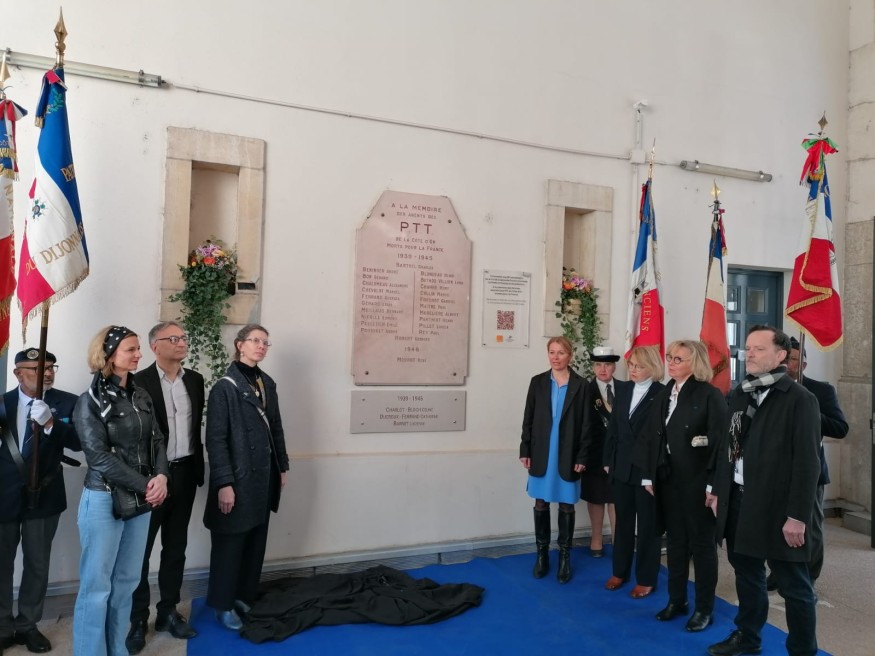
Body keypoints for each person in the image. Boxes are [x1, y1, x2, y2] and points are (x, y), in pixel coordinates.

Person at [706, 325, 821, 656]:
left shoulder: (800, 399)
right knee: (747, 573)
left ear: (781, 355)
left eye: (758, 349)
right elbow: (728, 448)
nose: (749, 354)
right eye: (748, 348)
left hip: (779, 507)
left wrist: (797, 516)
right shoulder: (741, 392)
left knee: (794, 584)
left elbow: (807, 463)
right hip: (739, 501)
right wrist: (717, 488)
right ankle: (748, 636)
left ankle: (802, 650)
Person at [72, 326, 169, 656]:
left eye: (138, 348)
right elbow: (98, 458)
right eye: (131, 349)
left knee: (126, 583)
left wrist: (162, 477)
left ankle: (118, 650)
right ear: (109, 355)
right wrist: (147, 484)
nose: (139, 354)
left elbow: (158, 439)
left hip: (142, 499)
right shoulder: (89, 401)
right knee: (96, 589)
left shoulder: (141, 395)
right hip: (103, 498)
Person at [126, 322, 206, 654]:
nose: (182, 342)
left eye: (184, 337)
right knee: (139, 553)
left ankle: (168, 611)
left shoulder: (195, 380)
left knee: (176, 547)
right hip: (150, 479)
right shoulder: (137, 382)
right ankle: (137, 619)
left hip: (185, 473)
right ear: (155, 346)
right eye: (174, 338)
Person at [204, 324, 289, 631]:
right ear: (240, 345)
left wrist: (282, 467)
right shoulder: (224, 387)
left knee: (255, 541)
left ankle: (243, 595)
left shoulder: (267, 383)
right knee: (230, 544)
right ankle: (222, 604)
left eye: (265, 342)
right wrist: (224, 483)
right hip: (237, 478)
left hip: (263, 477)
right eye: (255, 341)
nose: (261, 346)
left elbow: (276, 427)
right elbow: (215, 440)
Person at [0, 349, 80, 654]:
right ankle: (2, 626)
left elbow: (80, 442)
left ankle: (27, 625)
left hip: (45, 494)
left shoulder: (68, 402)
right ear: (18, 373)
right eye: (37, 368)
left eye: (50, 367)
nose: (46, 373)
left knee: (37, 563)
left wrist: (51, 424)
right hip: (4, 495)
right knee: (1, 564)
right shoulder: (2, 403)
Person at [647, 340, 726, 632]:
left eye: (678, 358)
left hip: (698, 483)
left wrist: (713, 484)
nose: (671, 362)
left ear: (696, 362)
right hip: (668, 481)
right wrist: (649, 476)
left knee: (702, 547)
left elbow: (720, 445)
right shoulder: (665, 393)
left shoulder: (709, 395)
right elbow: (653, 437)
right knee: (676, 544)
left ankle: (704, 608)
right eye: (670, 357)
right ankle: (677, 600)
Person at [764, 336, 848, 590]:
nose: (787, 364)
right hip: (774, 470)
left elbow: (840, 428)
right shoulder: (769, 388)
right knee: (774, 523)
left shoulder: (820, 391)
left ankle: (809, 577)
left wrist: (809, 410)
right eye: (784, 358)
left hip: (809, 471)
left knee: (809, 527)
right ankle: (777, 572)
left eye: (793, 359)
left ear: (803, 364)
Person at [519, 336, 588, 584]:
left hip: (568, 452)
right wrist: (525, 449)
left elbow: (587, 424)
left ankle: (565, 557)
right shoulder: (537, 382)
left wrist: (582, 455)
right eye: (552, 352)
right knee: (540, 502)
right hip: (541, 451)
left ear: (570, 355)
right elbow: (528, 418)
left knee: (567, 504)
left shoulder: (582, 385)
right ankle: (542, 554)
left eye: (561, 352)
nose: (555, 357)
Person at [602, 345, 664, 598]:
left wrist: (654, 471)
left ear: (653, 367)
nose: (634, 370)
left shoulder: (662, 393)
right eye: (631, 365)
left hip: (646, 470)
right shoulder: (624, 389)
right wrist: (608, 459)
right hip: (621, 467)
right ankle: (620, 571)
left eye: (640, 366)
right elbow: (613, 428)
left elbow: (660, 437)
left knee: (648, 526)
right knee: (623, 523)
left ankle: (646, 578)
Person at [580, 346, 619, 558]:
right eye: (598, 365)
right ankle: (596, 538)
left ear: (614, 367)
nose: (603, 369)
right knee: (595, 496)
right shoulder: (585, 390)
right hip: (594, 452)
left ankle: (618, 540)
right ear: (593, 367)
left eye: (607, 364)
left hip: (618, 454)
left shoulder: (625, 388)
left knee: (616, 497)